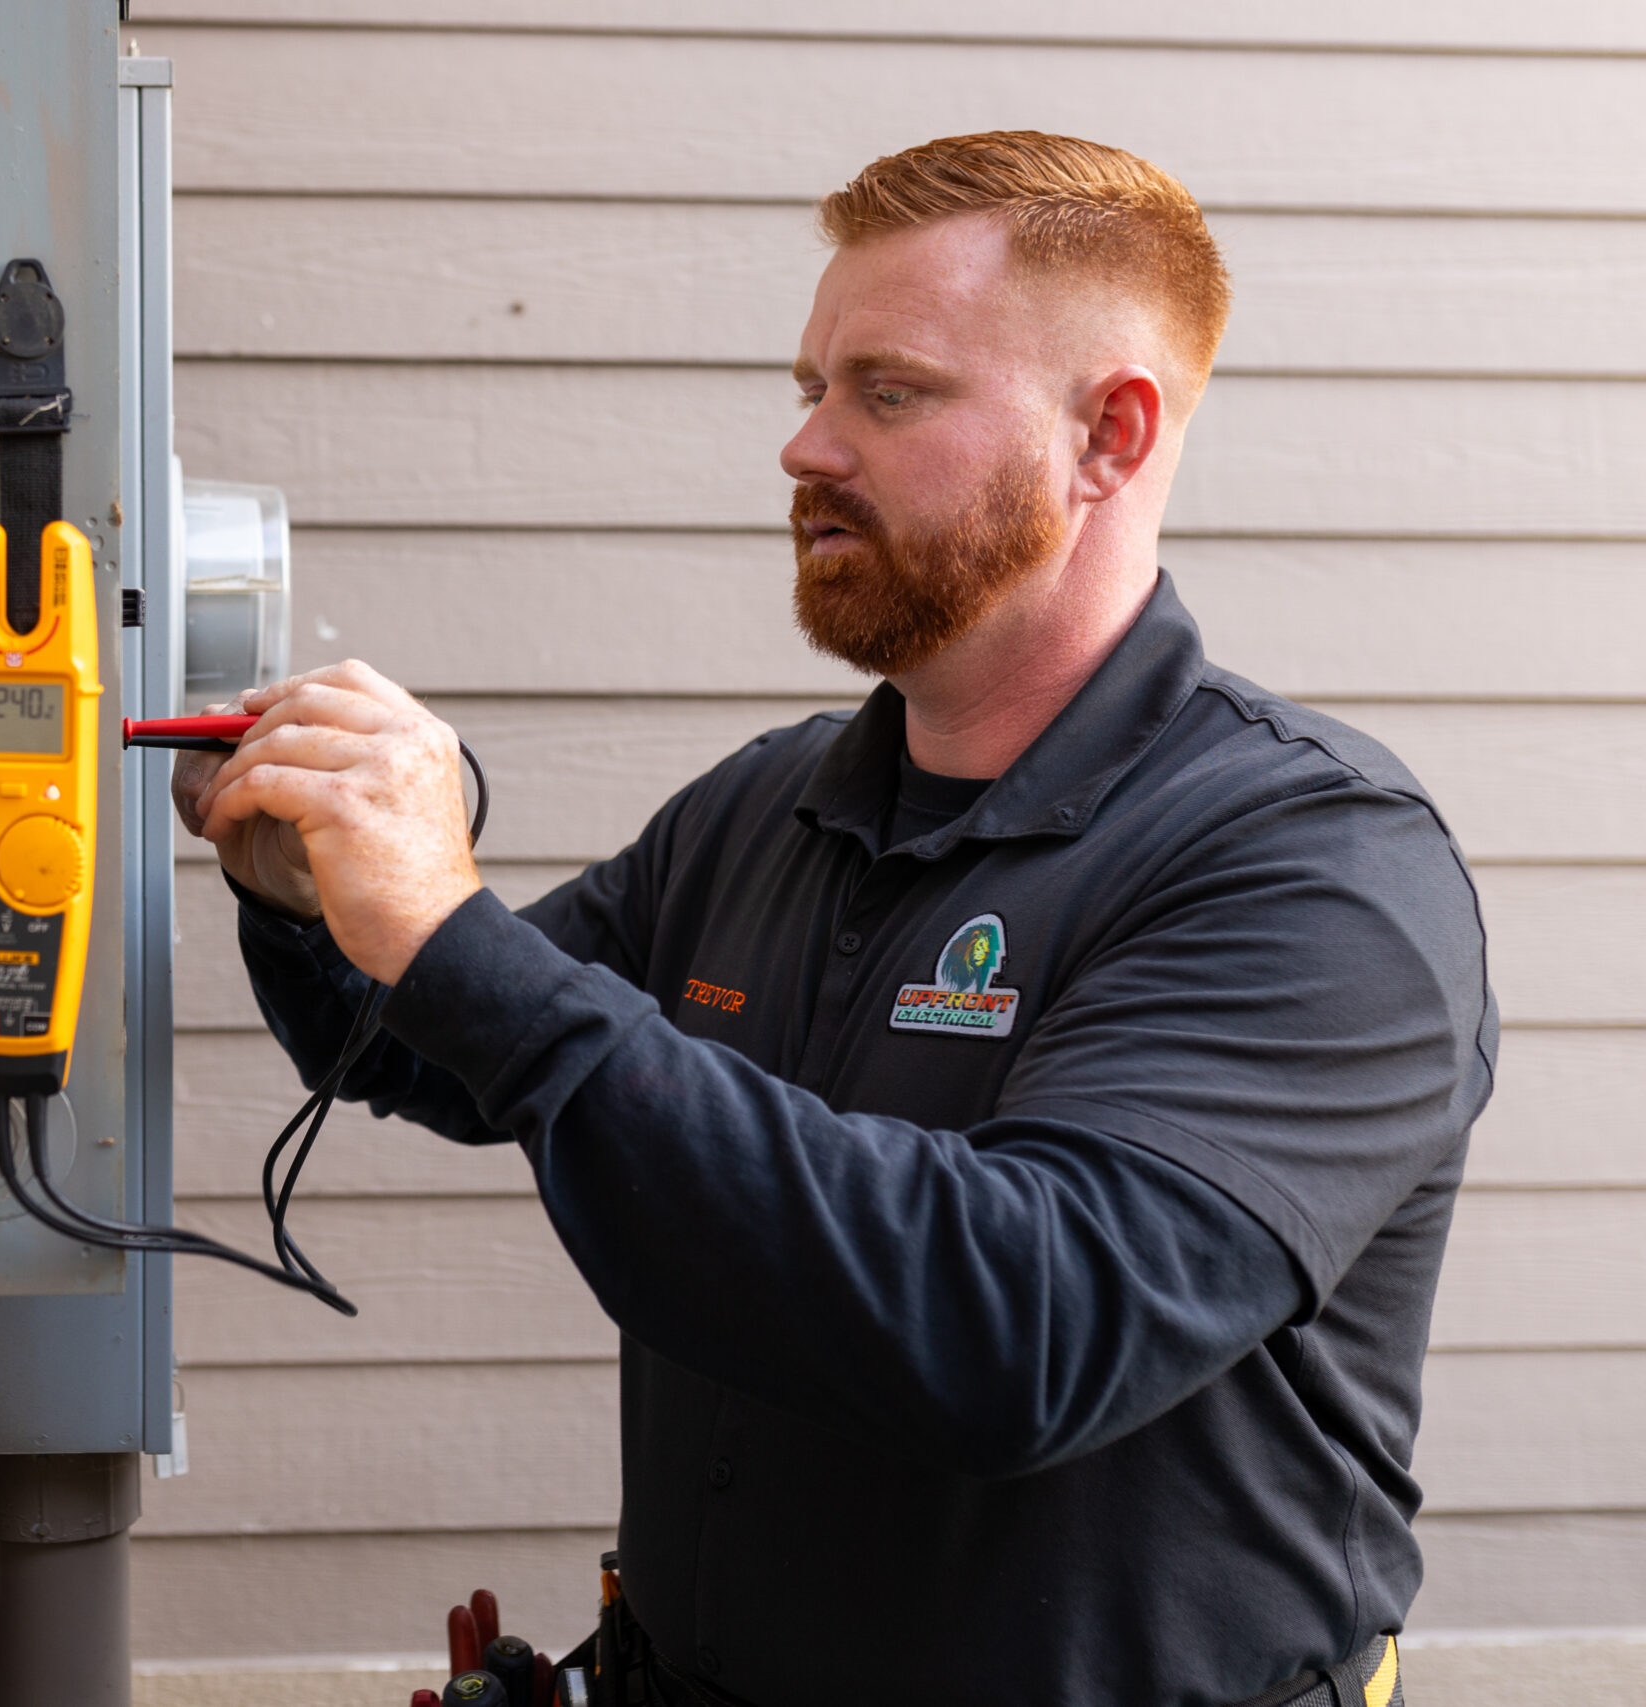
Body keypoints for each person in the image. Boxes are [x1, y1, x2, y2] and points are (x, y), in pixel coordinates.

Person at [171, 132, 1491, 1707]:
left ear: (1108, 438)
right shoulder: (775, 806)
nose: (806, 447)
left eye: (889, 391)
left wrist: (453, 926)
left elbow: (1022, 1328)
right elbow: (455, 1052)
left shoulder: (1314, 868)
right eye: (809, 388)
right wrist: (313, 874)